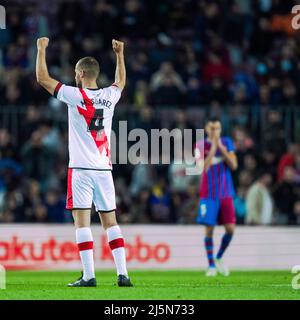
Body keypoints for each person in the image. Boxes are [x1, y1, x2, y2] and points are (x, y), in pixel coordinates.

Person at [36, 37, 133, 287]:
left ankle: (89, 276)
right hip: (104, 169)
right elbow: (120, 82)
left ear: (80, 73)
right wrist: (120, 54)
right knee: (110, 221)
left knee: (82, 222)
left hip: (80, 169)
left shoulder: (74, 95)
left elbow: (43, 80)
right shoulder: (110, 96)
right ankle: (123, 274)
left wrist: (41, 49)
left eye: (75, 73)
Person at [195, 117, 238, 277]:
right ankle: (211, 265)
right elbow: (202, 168)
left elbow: (234, 165)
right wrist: (213, 147)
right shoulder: (200, 145)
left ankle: (219, 257)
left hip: (226, 193)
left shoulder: (227, 142)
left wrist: (221, 146)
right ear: (206, 129)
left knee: (230, 229)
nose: (215, 131)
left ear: (220, 129)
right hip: (208, 194)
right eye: (212, 128)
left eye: (217, 128)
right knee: (209, 230)